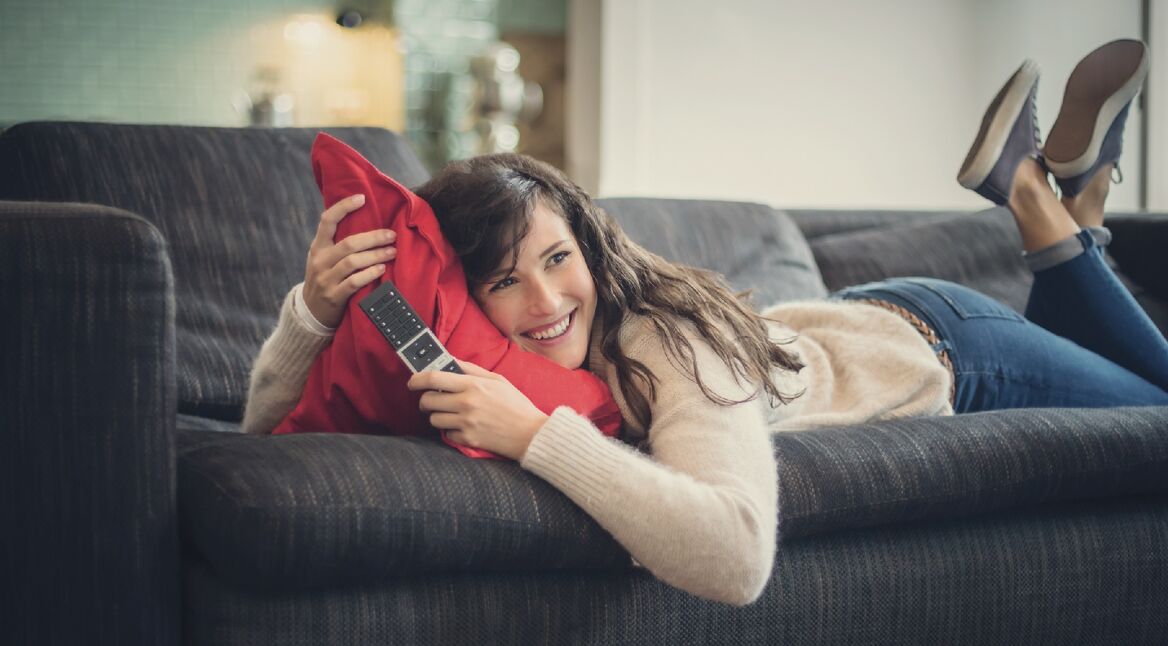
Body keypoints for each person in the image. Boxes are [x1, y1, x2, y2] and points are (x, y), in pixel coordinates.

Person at [241, 39, 1168, 606]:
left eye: (559, 260)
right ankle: (1082, 201)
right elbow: (259, 435)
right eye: (504, 285)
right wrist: (316, 311)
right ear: (463, 301)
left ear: (592, 248)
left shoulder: (661, 342)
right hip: (854, 325)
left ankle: (1030, 198)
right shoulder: (470, 352)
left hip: (950, 351)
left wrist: (536, 436)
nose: (546, 302)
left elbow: (735, 557)